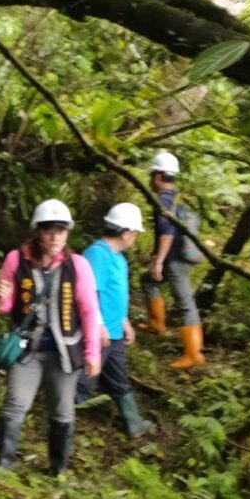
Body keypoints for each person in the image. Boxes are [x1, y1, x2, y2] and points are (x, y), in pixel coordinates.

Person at [0, 199, 102, 475]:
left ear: (67, 233)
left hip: (64, 352)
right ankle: (1, 467)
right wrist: (0, 296)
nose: (55, 237)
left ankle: (58, 470)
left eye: (61, 231)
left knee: (62, 409)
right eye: (49, 230)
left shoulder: (77, 266)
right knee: (15, 404)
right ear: (37, 232)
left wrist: (92, 353)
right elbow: (5, 306)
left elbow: (88, 310)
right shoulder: (16, 260)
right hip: (27, 350)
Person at [75, 202, 153, 437]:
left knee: (118, 377)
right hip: (98, 333)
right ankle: (61, 414)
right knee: (86, 379)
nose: (136, 237)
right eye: (135, 232)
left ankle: (134, 423)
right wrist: (98, 325)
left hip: (114, 332)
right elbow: (89, 293)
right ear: (125, 232)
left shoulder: (119, 258)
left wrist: (125, 322)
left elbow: (116, 295)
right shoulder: (98, 254)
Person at [142, 150, 206, 369]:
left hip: (175, 260)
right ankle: (156, 324)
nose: (150, 179)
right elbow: (166, 230)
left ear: (159, 176)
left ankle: (194, 354)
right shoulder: (175, 197)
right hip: (177, 255)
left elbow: (168, 232)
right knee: (148, 281)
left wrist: (159, 260)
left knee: (185, 303)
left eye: (152, 175)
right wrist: (156, 253)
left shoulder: (164, 200)